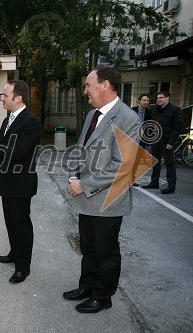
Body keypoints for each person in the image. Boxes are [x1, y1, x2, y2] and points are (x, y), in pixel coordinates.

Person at [64, 65, 140, 313]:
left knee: (106, 252)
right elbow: (81, 148)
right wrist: (73, 174)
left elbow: (123, 166)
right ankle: (87, 287)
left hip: (108, 201)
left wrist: (83, 184)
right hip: (86, 198)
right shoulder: (92, 115)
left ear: (105, 85)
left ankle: (102, 296)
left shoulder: (128, 118)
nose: (85, 90)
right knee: (89, 248)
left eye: (88, 84)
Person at [0, 79, 41, 284]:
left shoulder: (31, 121)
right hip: (6, 182)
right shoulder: (8, 119)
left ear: (18, 97)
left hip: (21, 184)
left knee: (21, 225)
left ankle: (23, 267)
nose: (1, 98)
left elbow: (19, 151)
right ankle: (14, 253)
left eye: (5, 95)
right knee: (11, 223)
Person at [141, 91, 182, 194]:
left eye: (161, 98)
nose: (159, 99)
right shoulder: (155, 110)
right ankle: (154, 183)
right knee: (155, 162)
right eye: (158, 98)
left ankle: (171, 187)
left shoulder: (175, 110)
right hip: (155, 140)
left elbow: (177, 128)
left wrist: (171, 142)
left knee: (169, 164)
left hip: (167, 141)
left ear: (168, 98)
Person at [131, 93, 153, 186]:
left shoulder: (150, 113)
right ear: (139, 101)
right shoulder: (132, 111)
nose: (146, 102)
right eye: (144, 100)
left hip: (143, 139)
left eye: (147, 101)